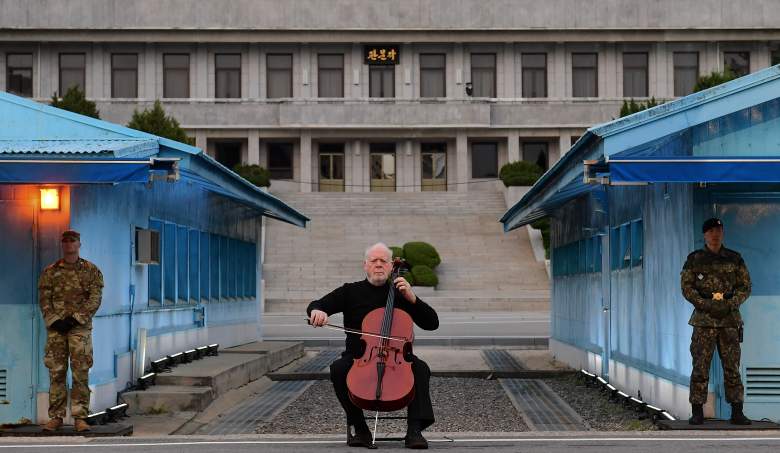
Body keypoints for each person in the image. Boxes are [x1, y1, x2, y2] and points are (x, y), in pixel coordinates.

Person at [307, 242, 439, 449]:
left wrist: (413, 299)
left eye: (383, 261)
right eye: (374, 261)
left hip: (397, 357)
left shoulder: (401, 293)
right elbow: (318, 304)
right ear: (365, 265)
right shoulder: (349, 291)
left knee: (420, 368)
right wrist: (317, 311)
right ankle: (360, 428)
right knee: (338, 369)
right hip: (359, 356)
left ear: (390, 267)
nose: (378, 265)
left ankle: (414, 431)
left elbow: (432, 323)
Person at [680, 218, 751, 425]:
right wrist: (705, 303)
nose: (715, 234)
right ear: (704, 235)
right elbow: (687, 287)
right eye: (711, 231)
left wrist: (730, 303)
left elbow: (745, 286)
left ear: (723, 233)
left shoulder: (734, 259)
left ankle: (737, 411)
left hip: (729, 321)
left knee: (732, 367)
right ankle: (697, 411)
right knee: (700, 367)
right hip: (704, 322)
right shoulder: (695, 259)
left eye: (718, 230)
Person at [38, 229, 104, 432]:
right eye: (65, 241)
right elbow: (44, 298)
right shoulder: (50, 271)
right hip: (57, 329)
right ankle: (56, 417)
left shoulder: (91, 270)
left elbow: (95, 298)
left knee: (80, 373)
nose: (69, 244)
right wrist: (55, 320)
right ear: (62, 244)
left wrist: (76, 319)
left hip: (80, 330)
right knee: (56, 373)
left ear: (79, 244)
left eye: (72, 241)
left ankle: (80, 417)